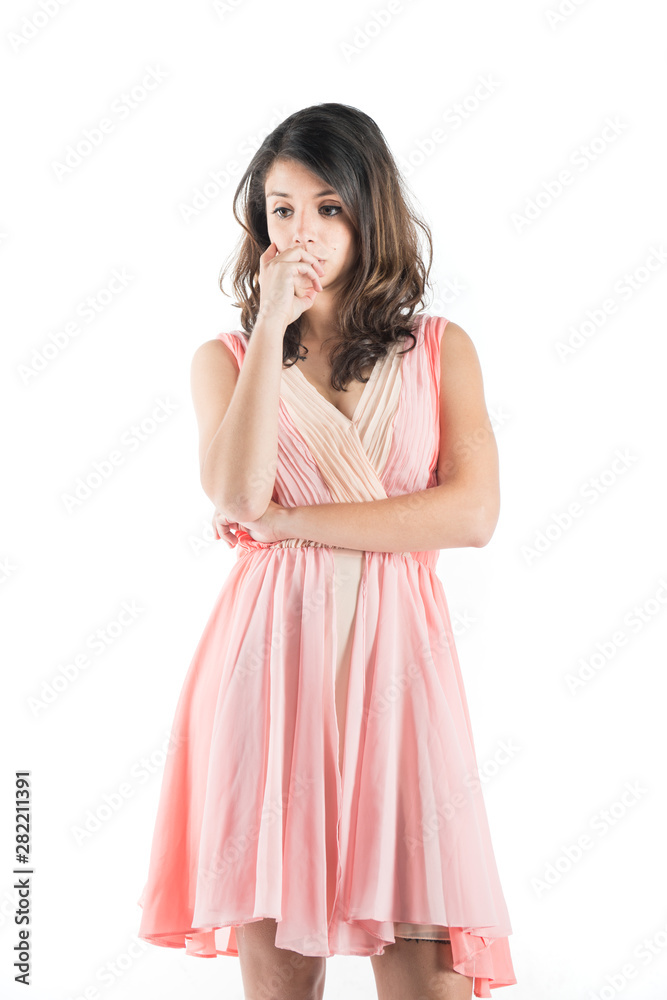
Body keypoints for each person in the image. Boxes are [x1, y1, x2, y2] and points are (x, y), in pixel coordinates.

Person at [136, 103, 517, 1000]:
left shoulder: (437, 348)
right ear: (258, 227)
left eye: (326, 207)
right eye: (280, 210)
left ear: (367, 210)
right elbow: (233, 495)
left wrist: (293, 522)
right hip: (268, 670)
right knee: (282, 976)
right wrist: (272, 326)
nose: (301, 231)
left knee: (427, 976)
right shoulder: (226, 357)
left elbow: (470, 515)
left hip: (401, 672)